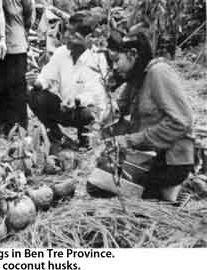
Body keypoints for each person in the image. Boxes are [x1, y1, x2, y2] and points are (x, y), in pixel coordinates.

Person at [107, 32, 194, 202]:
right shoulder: (136, 76)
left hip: (172, 160)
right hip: (151, 155)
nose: (115, 67)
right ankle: (168, 191)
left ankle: (177, 189)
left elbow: (181, 121)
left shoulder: (158, 73)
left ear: (132, 55)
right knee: (104, 183)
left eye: (117, 60)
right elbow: (119, 107)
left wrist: (131, 140)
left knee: (134, 196)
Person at [26, 13, 109, 149]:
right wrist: (37, 82)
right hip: (63, 108)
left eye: (73, 34)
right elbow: (47, 76)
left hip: (81, 112)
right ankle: (58, 136)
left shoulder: (98, 59)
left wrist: (77, 101)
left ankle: (85, 139)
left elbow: (96, 95)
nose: (66, 37)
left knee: (89, 112)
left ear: (88, 38)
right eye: (67, 31)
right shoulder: (61, 53)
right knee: (34, 95)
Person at [0, 0, 35, 135]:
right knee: (1, 87)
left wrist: (25, 32)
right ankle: (1, 126)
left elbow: (29, 14)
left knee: (17, 87)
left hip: (16, 43)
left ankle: (19, 127)